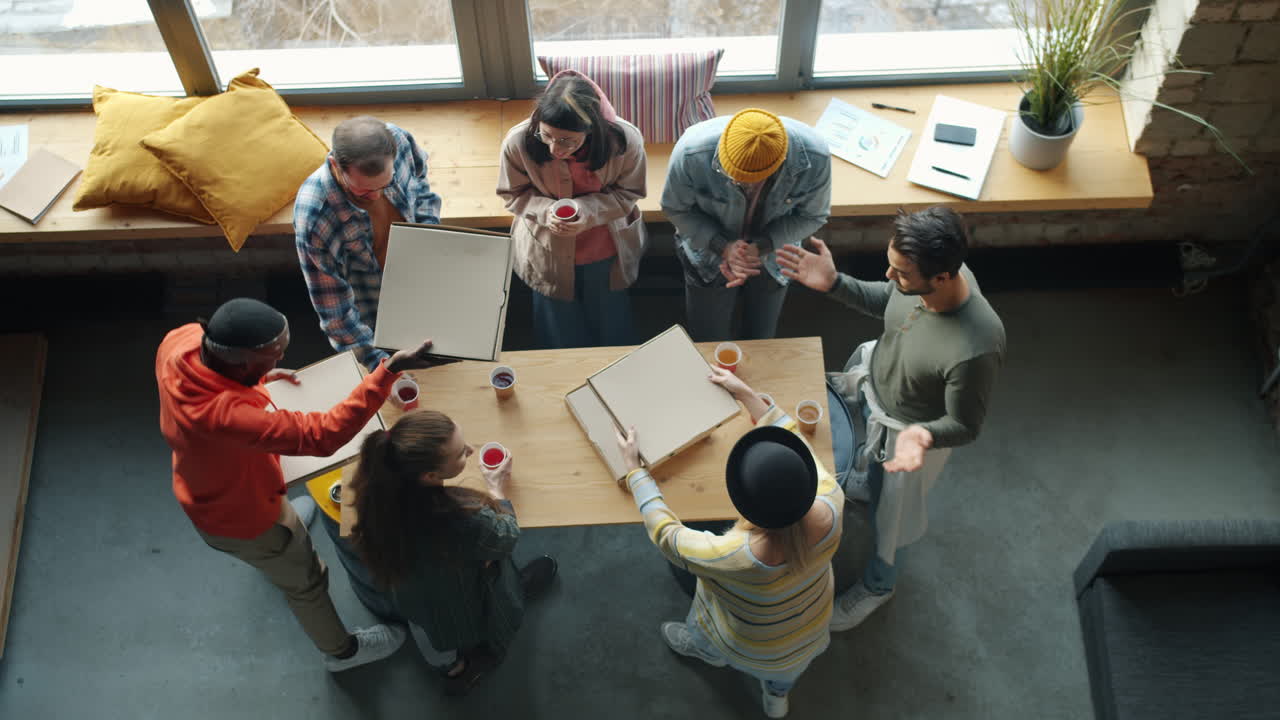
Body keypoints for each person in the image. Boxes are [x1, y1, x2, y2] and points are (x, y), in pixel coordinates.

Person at [155, 297, 441, 670]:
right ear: (240, 361)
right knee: (306, 582)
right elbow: (322, 435)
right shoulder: (226, 418)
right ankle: (341, 653)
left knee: (287, 531)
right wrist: (388, 371)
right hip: (246, 519)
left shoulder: (182, 341)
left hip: (204, 482)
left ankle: (280, 541)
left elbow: (227, 386)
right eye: (273, 356)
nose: (279, 362)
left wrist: (256, 379)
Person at [776, 205, 1006, 631]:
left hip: (909, 434)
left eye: (900, 272)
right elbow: (887, 300)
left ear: (943, 277)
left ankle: (879, 586)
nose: (889, 277)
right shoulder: (921, 280)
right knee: (872, 471)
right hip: (879, 392)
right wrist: (834, 283)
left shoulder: (977, 347)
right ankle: (872, 482)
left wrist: (921, 436)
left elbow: (966, 425)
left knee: (893, 525)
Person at [615, 367, 844, 719]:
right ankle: (777, 699)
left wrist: (635, 472)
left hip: (749, 645)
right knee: (784, 673)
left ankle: (707, 651)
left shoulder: (733, 556)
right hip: (810, 631)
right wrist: (748, 395)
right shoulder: (832, 499)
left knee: (709, 628)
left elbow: (668, 536)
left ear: (745, 507)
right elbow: (794, 439)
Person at [341, 410, 557, 695]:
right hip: (460, 599)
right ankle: (473, 663)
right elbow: (505, 537)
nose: (469, 450)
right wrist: (496, 490)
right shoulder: (454, 518)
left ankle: (468, 651)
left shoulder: (376, 487)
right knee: (475, 634)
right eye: (460, 455)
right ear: (430, 475)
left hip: (414, 590)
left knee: (442, 630)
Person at [496, 69, 647, 349]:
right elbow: (512, 194)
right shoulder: (517, 142)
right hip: (546, 250)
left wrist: (586, 211)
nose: (555, 149)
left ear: (592, 130)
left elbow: (631, 192)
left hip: (606, 249)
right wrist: (545, 211)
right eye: (546, 136)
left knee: (612, 327)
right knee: (558, 334)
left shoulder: (625, 141)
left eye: (568, 141)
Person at [661, 108, 831, 343]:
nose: (738, 184)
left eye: (750, 180)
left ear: (780, 165)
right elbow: (675, 208)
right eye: (732, 175)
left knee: (761, 338)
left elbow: (813, 216)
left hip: (775, 256)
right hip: (707, 254)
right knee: (709, 339)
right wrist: (723, 246)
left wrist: (762, 246)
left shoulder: (815, 157)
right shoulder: (691, 153)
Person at [295, 115, 443, 370]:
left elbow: (420, 183)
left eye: (386, 184)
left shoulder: (398, 139)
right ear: (334, 164)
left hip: (421, 275)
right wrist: (382, 368)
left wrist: (427, 235)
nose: (376, 196)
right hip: (376, 303)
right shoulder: (314, 219)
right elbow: (336, 314)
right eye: (362, 191)